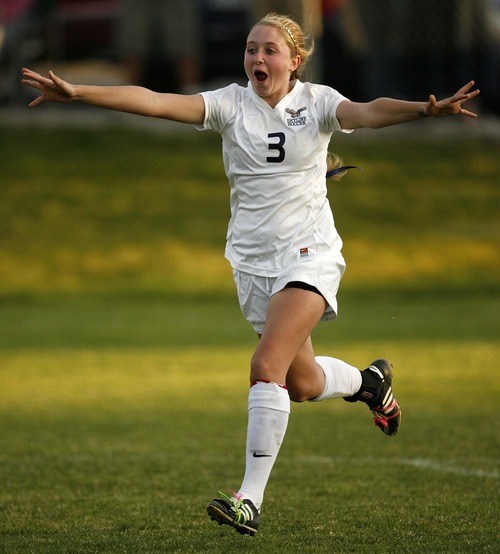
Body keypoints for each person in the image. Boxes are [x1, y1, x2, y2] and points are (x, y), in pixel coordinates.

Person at [22, 12, 479, 537]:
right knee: (302, 383)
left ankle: (248, 500)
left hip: (309, 256)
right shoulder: (229, 105)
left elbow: (370, 111)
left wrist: (425, 109)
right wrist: (80, 92)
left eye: (269, 51)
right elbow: (153, 100)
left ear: (294, 61)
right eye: (250, 49)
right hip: (252, 265)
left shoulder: (319, 103)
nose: (257, 59)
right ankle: (370, 384)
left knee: (266, 368)